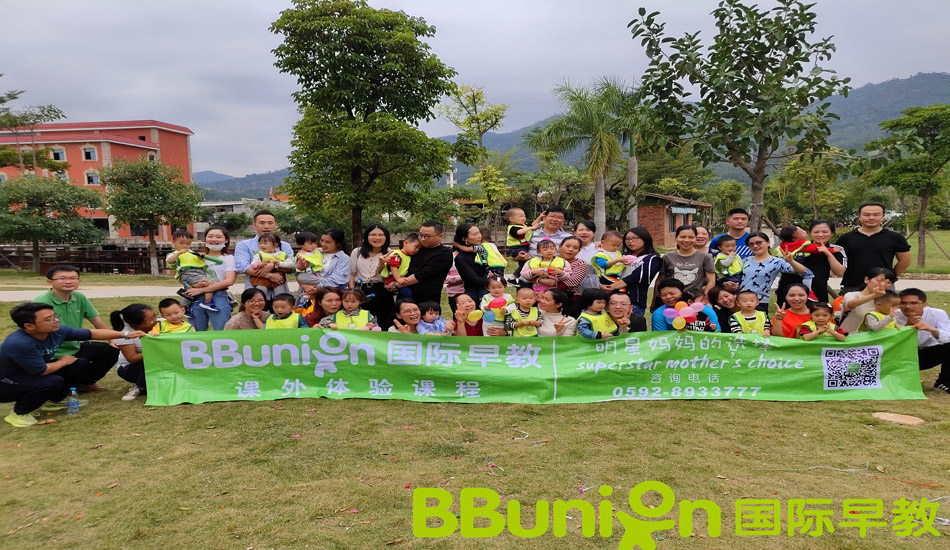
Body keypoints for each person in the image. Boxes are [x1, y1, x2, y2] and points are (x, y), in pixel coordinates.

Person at [0, 302, 146, 426]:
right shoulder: (20, 343)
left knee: (79, 364)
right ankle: (19, 413)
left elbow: (92, 333)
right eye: (48, 319)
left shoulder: (57, 331)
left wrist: (125, 335)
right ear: (29, 326)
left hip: (29, 373)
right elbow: (41, 371)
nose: (55, 320)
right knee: (52, 381)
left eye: (54, 316)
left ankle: (55, 400)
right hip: (6, 382)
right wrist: (63, 362)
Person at [33, 264, 118, 392]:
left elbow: (95, 319)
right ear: (50, 282)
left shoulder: (79, 297)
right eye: (62, 278)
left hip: (74, 346)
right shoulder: (42, 302)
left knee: (110, 350)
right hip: (52, 351)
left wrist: (112, 339)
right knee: (80, 364)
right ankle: (63, 387)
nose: (68, 281)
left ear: (79, 281)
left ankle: (85, 383)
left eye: (73, 278)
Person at [836, 203, 911, 294]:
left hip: (883, 286)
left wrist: (890, 277)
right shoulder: (846, 238)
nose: (871, 218)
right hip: (852, 285)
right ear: (859, 216)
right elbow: (837, 261)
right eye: (866, 215)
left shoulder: (895, 237)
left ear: (883, 217)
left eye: (876, 215)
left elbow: (905, 261)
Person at [776, 220, 846, 305]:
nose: (820, 235)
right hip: (790, 293)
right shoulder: (800, 245)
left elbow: (840, 272)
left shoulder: (836, 249)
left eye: (825, 232)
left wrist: (828, 253)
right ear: (810, 233)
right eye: (816, 232)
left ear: (832, 234)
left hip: (817, 293)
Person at [895, 288, 950, 393]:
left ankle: (943, 383)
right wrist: (907, 327)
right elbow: (890, 341)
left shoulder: (938, 314)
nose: (908, 306)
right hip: (901, 355)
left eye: (914, 303)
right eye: (903, 303)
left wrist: (931, 329)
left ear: (925, 304)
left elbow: (948, 337)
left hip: (927, 354)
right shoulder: (893, 315)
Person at [738, 232, 809, 311]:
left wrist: (791, 261)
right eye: (751, 244)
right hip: (740, 301)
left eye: (759, 243)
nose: (755, 246)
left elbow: (802, 271)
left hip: (759, 301)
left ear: (768, 242)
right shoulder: (746, 260)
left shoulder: (777, 262)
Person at [234, 210, 295, 298]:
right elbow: (244, 267)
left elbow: (292, 268)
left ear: (275, 224)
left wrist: (274, 266)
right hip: (254, 294)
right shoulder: (243, 245)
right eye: (262, 223)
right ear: (254, 225)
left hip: (281, 295)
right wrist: (270, 276)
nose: (266, 226)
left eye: (270, 223)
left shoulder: (284, 245)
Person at [186, 226, 237, 331]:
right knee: (195, 332)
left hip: (218, 296)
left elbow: (229, 280)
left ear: (226, 240)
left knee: (221, 330)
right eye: (210, 236)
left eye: (218, 237)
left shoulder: (229, 258)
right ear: (205, 239)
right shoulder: (196, 257)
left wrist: (202, 290)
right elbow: (185, 274)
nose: (214, 239)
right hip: (196, 296)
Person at [390, 221, 453, 304]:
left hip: (427, 300)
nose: (422, 239)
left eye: (427, 236)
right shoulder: (416, 249)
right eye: (420, 235)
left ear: (440, 236)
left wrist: (396, 285)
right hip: (404, 298)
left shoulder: (444, 253)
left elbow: (422, 274)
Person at [605, 228, 661, 315]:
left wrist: (612, 287)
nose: (630, 241)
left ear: (645, 238)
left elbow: (636, 276)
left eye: (634, 238)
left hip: (634, 302)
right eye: (627, 239)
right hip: (612, 300)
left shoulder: (652, 259)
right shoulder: (620, 256)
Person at [349, 224, 394, 330]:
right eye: (373, 235)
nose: (377, 238)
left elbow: (388, 273)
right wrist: (352, 291)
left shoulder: (390, 253)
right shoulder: (357, 252)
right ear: (366, 236)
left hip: (382, 290)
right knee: (362, 322)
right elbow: (352, 273)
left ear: (386, 237)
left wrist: (382, 264)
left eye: (380, 235)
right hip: (361, 289)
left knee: (385, 321)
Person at [112, 304, 159, 402]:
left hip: (154, 361)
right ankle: (139, 386)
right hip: (130, 368)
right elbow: (132, 358)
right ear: (136, 324)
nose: (155, 320)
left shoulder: (162, 325)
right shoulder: (126, 335)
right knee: (151, 360)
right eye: (150, 320)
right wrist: (154, 351)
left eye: (155, 315)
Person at [166, 229, 223, 311]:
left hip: (199, 273)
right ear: (173, 242)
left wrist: (201, 256)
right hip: (189, 273)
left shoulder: (192, 253)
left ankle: (184, 307)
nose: (185, 246)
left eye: (188, 244)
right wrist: (179, 253)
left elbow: (201, 261)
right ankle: (207, 302)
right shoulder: (174, 254)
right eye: (181, 243)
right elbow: (169, 261)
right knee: (209, 284)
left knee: (192, 290)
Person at [655, 225, 715, 301]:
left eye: (691, 237)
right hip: (672, 300)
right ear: (676, 238)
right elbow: (660, 280)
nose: (686, 240)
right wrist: (655, 300)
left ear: (695, 238)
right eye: (682, 237)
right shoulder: (667, 257)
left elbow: (711, 281)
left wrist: (704, 297)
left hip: (695, 300)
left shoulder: (706, 257)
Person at [839, 267, 898, 334]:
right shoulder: (853, 295)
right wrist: (874, 295)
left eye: (888, 282)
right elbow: (850, 304)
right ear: (867, 279)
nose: (882, 284)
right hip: (848, 337)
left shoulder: (886, 301)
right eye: (879, 280)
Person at [652, 280, 719, 332]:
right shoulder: (659, 314)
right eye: (663, 295)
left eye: (672, 293)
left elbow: (717, 332)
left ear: (682, 292)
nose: (668, 297)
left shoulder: (704, 309)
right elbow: (660, 337)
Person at [453, 223, 491, 303]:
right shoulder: (461, 258)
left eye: (479, 233)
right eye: (475, 234)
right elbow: (474, 280)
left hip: (492, 291)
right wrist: (493, 280)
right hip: (475, 295)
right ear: (464, 238)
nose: (479, 236)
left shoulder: (483, 250)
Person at [506, 207, 544, 282]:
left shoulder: (524, 226)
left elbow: (533, 224)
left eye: (524, 216)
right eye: (520, 216)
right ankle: (517, 278)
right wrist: (531, 228)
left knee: (524, 264)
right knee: (528, 262)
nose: (523, 218)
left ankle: (514, 278)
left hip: (523, 247)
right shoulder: (512, 228)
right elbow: (519, 232)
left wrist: (540, 217)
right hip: (516, 248)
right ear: (511, 219)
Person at [381, 233, 420, 299]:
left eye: (419, 248)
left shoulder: (407, 256)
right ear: (406, 243)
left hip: (399, 279)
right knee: (408, 294)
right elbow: (393, 266)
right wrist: (398, 278)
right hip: (391, 279)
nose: (417, 250)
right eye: (416, 246)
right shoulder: (397, 254)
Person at [294, 231, 324, 298]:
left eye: (315, 243)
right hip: (306, 275)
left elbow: (323, 249)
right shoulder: (300, 255)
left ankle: (301, 299)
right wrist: (302, 263)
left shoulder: (316, 251)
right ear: (300, 244)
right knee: (325, 281)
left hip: (314, 274)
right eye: (310, 243)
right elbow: (299, 267)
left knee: (303, 290)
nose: (314, 245)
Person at [572, 220, 600, 291]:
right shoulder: (568, 250)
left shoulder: (599, 251)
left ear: (593, 233)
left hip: (592, 288)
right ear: (575, 233)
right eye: (581, 230)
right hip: (570, 288)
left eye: (588, 230)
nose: (584, 232)